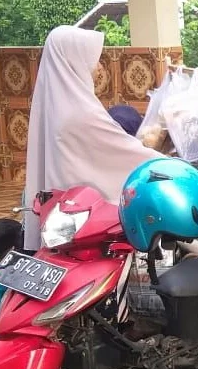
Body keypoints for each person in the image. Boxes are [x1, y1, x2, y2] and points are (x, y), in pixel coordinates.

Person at [24, 26, 162, 251]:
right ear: (74, 61)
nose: (98, 69)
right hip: (84, 222)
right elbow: (122, 152)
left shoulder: (53, 105)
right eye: (94, 61)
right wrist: (172, 166)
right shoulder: (80, 112)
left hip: (62, 216)